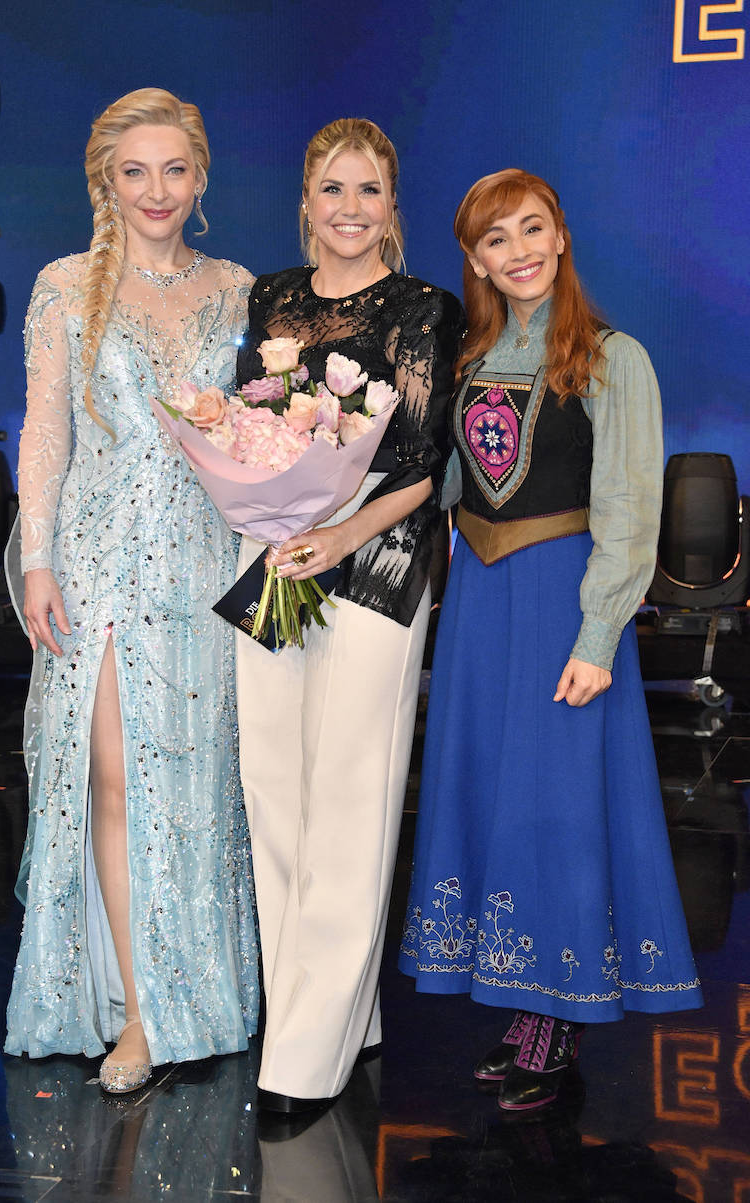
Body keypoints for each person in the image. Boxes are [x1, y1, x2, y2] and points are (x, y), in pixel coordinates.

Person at [399, 168, 702, 1112]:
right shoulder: (471, 359)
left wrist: (599, 633)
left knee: (557, 805)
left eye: (533, 229)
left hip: (563, 603)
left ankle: (554, 1013)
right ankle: (519, 999)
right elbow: (448, 482)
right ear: (477, 259)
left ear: (561, 236)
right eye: (497, 239)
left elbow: (628, 509)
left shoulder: (615, 358)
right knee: (492, 793)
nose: (518, 250)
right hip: (483, 605)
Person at [4, 88, 259, 1093]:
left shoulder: (239, 289)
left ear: (198, 179)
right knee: (113, 777)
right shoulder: (66, 286)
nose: (156, 190)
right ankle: (141, 1015)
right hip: (101, 565)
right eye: (134, 172)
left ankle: (212, 989)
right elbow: (45, 435)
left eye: (173, 170)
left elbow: (257, 431)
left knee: (201, 785)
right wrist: (36, 561)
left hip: (208, 564)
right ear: (106, 182)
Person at [235, 118, 464, 1114]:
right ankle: (330, 1013)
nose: (348, 210)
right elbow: (247, 420)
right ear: (305, 198)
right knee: (272, 789)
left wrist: (340, 531)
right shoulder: (272, 296)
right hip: (276, 553)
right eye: (332, 189)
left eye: (368, 191)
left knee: (348, 801)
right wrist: (274, 508)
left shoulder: (423, 308)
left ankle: (301, 1060)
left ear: (392, 205)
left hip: (375, 559)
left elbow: (418, 461)